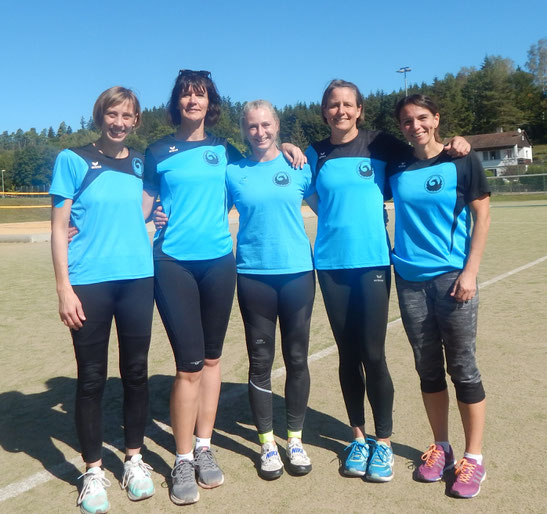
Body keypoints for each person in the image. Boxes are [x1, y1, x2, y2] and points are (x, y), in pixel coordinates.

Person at [143, 71, 304, 504]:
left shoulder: (225, 151)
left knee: (212, 360)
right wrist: (81, 224)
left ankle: (203, 447)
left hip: (219, 263)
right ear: (176, 102)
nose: (192, 101)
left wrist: (287, 147)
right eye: (185, 95)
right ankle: (181, 458)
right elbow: (139, 204)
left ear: (209, 102)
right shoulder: (159, 150)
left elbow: (260, 159)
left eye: (199, 95)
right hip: (173, 262)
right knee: (187, 366)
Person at [305, 79, 470, 483]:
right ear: (324, 111)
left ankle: (384, 442)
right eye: (333, 105)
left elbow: (426, 149)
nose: (340, 111)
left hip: (375, 263)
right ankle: (358, 438)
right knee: (347, 353)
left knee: (373, 354)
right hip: (330, 264)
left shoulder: (381, 145)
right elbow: (309, 194)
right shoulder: (314, 153)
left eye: (348, 104)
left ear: (359, 110)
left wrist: (457, 143)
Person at [50, 87, 155, 514]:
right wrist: (64, 288)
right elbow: (59, 228)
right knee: (91, 378)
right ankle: (92, 469)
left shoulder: (140, 163)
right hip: (89, 283)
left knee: (135, 372)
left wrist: (157, 215)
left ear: (135, 121)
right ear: (101, 116)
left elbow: (142, 211)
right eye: (113, 113)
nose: (119, 121)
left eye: (127, 115)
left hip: (137, 280)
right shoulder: (72, 159)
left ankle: (134, 458)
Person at [388, 94, 490, 498]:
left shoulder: (460, 160)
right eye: (408, 120)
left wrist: (470, 272)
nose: (416, 125)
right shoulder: (396, 166)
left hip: (453, 280)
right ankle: (441, 448)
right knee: (427, 368)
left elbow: (482, 214)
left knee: (463, 367)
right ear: (401, 127)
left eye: (423, 118)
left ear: (436, 120)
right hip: (409, 281)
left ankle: (474, 458)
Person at [227, 100, 315, 480]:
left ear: (277, 126)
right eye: (252, 126)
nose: (259, 132)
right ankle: (266, 443)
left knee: (296, 359)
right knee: (260, 363)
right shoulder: (233, 172)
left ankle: (294, 439)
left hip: (297, 274)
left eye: (266, 125)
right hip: (253, 276)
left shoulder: (299, 166)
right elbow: (203, 206)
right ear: (244, 130)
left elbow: (327, 205)